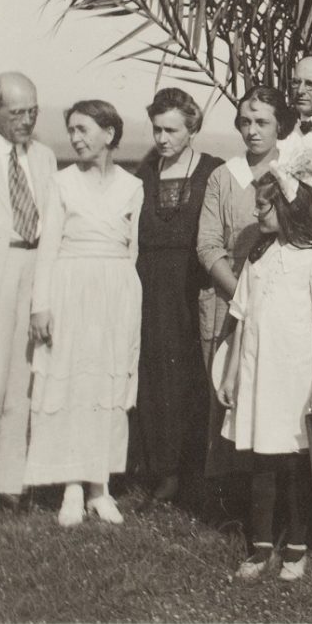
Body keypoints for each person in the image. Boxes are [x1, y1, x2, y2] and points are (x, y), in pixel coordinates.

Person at [216, 163, 312, 582]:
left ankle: (297, 547)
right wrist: (231, 375)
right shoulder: (259, 256)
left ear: (288, 208)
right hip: (258, 375)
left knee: (294, 462)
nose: (257, 214)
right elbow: (241, 317)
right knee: (262, 462)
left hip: (297, 378)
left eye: (264, 207)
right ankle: (261, 546)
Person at [25, 100, 142, 526]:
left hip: (115, 294)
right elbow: (48, 247)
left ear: (109, 133)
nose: (75, 138)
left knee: (106, 386)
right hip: (70, 288)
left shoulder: (132, 185)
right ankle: (72, 487)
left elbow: (132, 253)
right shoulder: (62, 183)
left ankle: (101, 488)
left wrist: (126, 304)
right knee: (72, 384)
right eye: (70, 130)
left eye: (83, 129)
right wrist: (42, 305)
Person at [0, 72, 57, 523]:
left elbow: (52, 225)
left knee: (20, 389)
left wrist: (44, 295)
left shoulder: (42, 156)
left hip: (31, 270)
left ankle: (9, 485)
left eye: (33, 112)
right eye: (17, 112)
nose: (26, 120)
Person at [197, 86, 296, 478]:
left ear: (280, 126)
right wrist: (242, 292)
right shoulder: (224, 176)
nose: (252, 131)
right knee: (225, 391)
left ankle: (271, 495)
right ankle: (224, 492)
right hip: (228, 295)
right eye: (245, 122)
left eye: (262, 122)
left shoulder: (294, 174)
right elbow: (207, 243)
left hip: (282, 297)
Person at [132, 88, 222, 505]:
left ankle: (198, 471)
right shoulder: (144, 174)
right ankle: (162, 471)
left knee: (195, 376)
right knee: (155, 377)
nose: (162, 138)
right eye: (157, 129)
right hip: (150, 285)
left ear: (193, 128)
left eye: (171, 130)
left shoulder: (213, 171)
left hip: (195, 286)